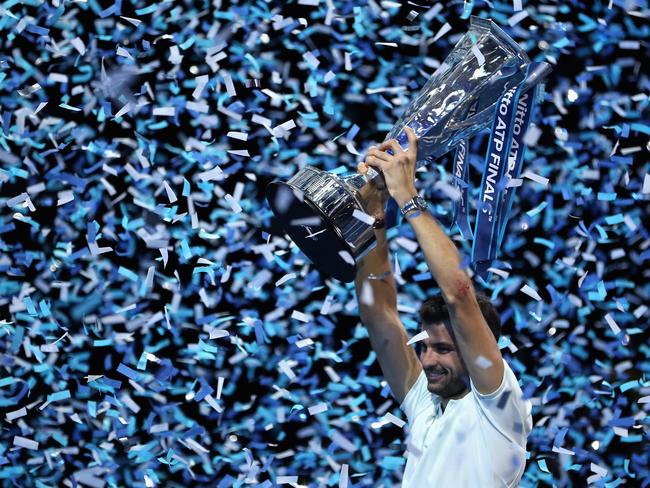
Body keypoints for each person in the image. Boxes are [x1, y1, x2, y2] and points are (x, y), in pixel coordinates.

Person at [354, 127, 533, 487]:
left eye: (444, 348)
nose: (429, 360)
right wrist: (374, 213)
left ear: (478, 351)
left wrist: (407, 196)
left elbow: (459, 293)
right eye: (426, 347)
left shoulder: (498, 410)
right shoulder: (426, 402)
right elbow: (378, 313)